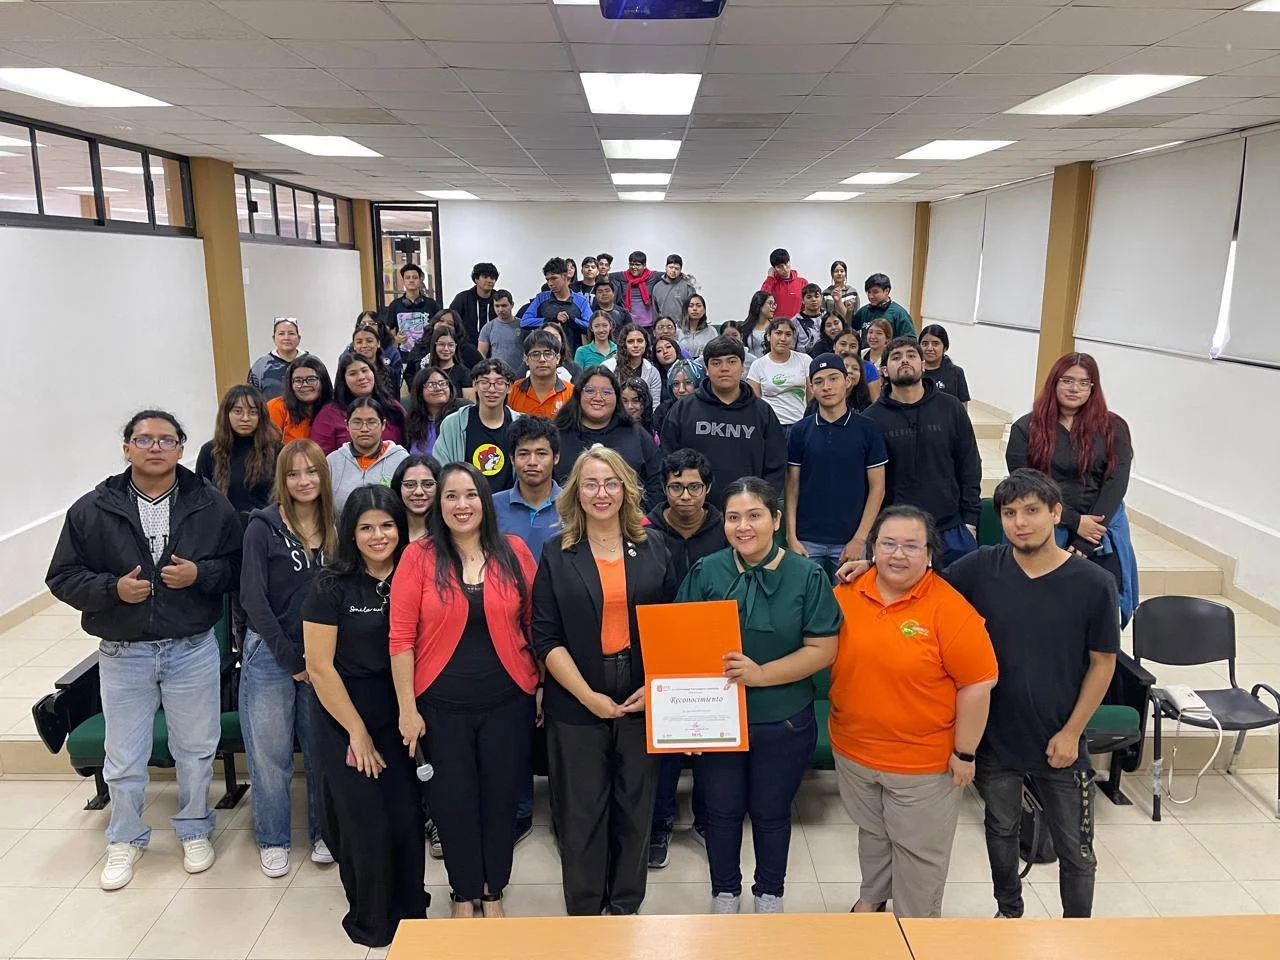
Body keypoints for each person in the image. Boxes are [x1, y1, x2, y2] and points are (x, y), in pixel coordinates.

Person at [47, 410, 241, 890]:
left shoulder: (209, 503)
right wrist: (112, 589)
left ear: (180, 448)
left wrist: (201, 575)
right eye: (144, 439)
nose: (155, 448)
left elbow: (237, 564)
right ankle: (126, 837)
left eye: (166, 440)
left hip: (191, 647)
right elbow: (62, 576)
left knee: (196, 748)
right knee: (124, 753)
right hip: (123, 651)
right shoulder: (93, 509)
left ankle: (195, 826)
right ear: (127, 447)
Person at [944, 469, 1119, 920]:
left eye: (1032, 511)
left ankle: (1077, 931)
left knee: (1076, 851)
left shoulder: (1093, 583)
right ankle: (1009, 911)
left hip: (1061, 740)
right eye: (1009, 513)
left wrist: (1072, 732)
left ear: (1057, 513)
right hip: (997, 739)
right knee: (1001, 830)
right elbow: (927, 590)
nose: (1020, 522)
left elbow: (1103, 663)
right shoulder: (982, 566)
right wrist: (873, 567)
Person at [677, 476, 841, 914]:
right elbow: (680, 645)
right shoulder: (707, 571)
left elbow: (824, 649)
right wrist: (682, 725)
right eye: (733, 517)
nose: (743, 526)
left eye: (754, 516)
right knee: (721, 814)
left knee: (771, 814)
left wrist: (760, 675)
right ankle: (724, 892)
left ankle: (770, 892)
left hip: (783, 719)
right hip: (716, 719)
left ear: (776, 519)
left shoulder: (806, 575)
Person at [531, 446, 678, 915]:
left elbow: (673, 625)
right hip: (576, 699)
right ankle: (586, 909)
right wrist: (587, 696)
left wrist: (655, 682)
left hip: (641, 695)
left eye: (611, 483)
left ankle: (626, 905)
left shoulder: (655, 546)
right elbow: (545, 637)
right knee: (580, 814)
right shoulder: (558, 552)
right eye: (590, 484)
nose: (601, 493)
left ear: (626, 489)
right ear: (576, 491)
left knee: (635, 808)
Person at [830, 505, 997, 918]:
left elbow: (978, 683)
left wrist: (965, 752)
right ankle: (872, 895)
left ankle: (914, 928)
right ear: (873, 549)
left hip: (923, 763)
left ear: (929, 553)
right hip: (853, 750)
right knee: (873, 834)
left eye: (910, 546)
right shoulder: (846, 593)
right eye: (888, 544)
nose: (898, 555)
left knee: (919, 852)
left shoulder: (951, 610)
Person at [390, 463, 539, 918]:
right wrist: (407, 710)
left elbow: (536, 625)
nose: (461, 505)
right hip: (440, 706)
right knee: (452, 805)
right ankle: (462, 892)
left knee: (500, 803)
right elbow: (400, 637)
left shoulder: (513, 551)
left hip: (507, 701)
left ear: (485, 500)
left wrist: (540, 689)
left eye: (470, 495)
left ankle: (493, 891)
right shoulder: (419, 556)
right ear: (439, 504)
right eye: (451, 496)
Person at [303, 486, 426, 946]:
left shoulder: (416, 575)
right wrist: (357, 733)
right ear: (350, 534)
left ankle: (412, 908)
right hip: (345, 719)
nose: (378, 536)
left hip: (403, 716)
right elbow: (318, 667)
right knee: (365, 822)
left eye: (387, 525)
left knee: (405, 815)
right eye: (366, 527)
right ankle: (373, 918)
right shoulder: (329, 586)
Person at [239, 438, 337, 877]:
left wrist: (320, 659)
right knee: (270, 755)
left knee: (321, 750)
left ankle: (323, 833)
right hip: (271, 654)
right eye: (294, 473)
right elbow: (252, 600)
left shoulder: (337, 525)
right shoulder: (262, 526)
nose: (303, 481)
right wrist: (291, 658)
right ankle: (274, 837)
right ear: (283, 479)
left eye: (311, 471)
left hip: (325, 657)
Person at [644, 448, 727, 868]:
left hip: (716, 652)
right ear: (665, 489)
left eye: (694, 487)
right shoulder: (645, 531)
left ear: (707, 490)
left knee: (712, 743)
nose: (685, 496)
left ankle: (707, 818)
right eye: (676, 487)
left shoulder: (726, 531)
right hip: (660, 652)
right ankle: (659, 823)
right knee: (666, 747)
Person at [1005, 353, 1136, 619]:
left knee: (1104, 608)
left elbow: (1116, 483)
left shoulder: (1113, 427)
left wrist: (1090, 534)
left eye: (1083, 383)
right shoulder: (1026, 428)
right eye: (1067, 380)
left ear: (1093, 388)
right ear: (1054, 382)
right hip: (1047, 522)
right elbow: (1024, 486)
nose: (1074, 388)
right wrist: (1073, 521)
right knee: (1045, 608)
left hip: (1103, 524)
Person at [863, 337, 981, 566]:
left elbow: (969, 465)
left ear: (923, 364)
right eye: (896, 357)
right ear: (884, 370)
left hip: (951, 529)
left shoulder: (951, 408)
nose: (904, 360)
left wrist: (970, 522)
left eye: (911, 355)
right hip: (897, 535)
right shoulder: (871, 419)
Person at [786, 354, 887, 579]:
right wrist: (792, 536)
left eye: (833, 378)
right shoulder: (800, 431)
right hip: (807, 540)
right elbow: (792, 487)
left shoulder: (868, 429)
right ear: (811, 387)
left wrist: (860, 539)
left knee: (849, 608)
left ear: (847, 381)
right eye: (819, 381)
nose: (827, 387)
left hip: (851, 541)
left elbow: (878, 488)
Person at [661, 335, 787, 508]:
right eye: (716, 363)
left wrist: (759, 503)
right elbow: (667, 460)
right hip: (694, 513)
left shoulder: (762, 412)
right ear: (706, 368)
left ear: (742, 367)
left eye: (732, 361)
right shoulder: (682, 410)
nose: (724, 368)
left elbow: (776, 466)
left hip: (746, 512)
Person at [554, 367, 664, 509]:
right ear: (578, 394)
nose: (598, 397)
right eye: (590, 390)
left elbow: (657, 480)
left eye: (606, 392)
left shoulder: (636, 433)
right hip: (567, 523)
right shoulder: (558, 435)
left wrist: (639, 519)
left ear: (617, 397)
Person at [195, 384, 281, 530]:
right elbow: (200, 499)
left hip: (268, 532)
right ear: (226, 413)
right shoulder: (209, 451)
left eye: (253, 412)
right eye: (238, 411)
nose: (245, 418)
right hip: (225, 534)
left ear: (262, 416)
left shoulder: (277, 450)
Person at [435, 358, 521, 493]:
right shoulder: (453, 424)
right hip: (466, 504)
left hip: (509, 505)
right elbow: (442, 468)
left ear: (509, 387)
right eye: (484, 382)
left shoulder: (520, 425)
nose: (491, 389)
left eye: (499, 383)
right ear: (474, 384)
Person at [493, 415, 563, 563]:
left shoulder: (574, 505)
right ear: (512, 459)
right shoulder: (492, 506)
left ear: (556, 457)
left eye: (541, 454)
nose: (532, 462)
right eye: (524, 454)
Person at [311, 354, 406, 455]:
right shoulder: (329, 414)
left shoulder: (392, 406)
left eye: (365, 370)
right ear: (343, 379)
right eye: (352, 374)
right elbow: (320, 456)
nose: (361, 377)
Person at [327, 397, 410, 513]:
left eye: (371, 422)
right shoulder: (332, 461)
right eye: (357, 422)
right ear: (347, 425)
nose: (364, 429)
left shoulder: (401, 460)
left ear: (383, 425)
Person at [747, 317, 811, 429]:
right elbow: (755, 402)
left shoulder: (805, 360)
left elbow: (812, 396)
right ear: (768, 336)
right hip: (771, 426)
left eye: (788, 334)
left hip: (800, 424)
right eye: (778, 333)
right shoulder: (758, 365)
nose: (783, 338)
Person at [520, 257, 593, 342]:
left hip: (573, 353)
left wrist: (571, 320)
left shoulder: (581, 301)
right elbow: (525, 322)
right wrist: (551, 319)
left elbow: (591, 326)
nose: (550, 283)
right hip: (547, 352)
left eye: (554, 278)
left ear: (565, 276)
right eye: (547, 279)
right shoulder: (541, 298)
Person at [404, 365, 467, 458]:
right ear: (420, 392)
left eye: (442, 383)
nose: (438, 388)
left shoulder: (461, 413)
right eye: (431, 385)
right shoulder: (413, 420)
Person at [509, 329, 575, 418]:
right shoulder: (512, 391)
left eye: (548, 354)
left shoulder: (572, 393)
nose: (542, 359)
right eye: (535, 354)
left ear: (558, 358)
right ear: (525, 358)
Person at [268, 357, 332, 444]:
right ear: (291, 384)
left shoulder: (335, 409)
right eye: (298, 380)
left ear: (323, 381)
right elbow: (268, 447)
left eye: (311, 379)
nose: (305, 384)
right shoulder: (276, 406)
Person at [383, 262, 440, 354]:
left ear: (420, 280)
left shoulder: (432, 304)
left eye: (415, 277)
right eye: (407, 278)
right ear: (403, 281)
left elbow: (440, 328)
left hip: (427, 354)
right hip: (403, 355)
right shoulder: (395, 305)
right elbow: (386, 330)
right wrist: (395, 339)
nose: (411, 280)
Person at [603, 323, 662, 409]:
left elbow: (655, 406)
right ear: (624, 344)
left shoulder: (653, 372)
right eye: (630, 341)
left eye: (640, 341)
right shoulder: (608, 367)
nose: (635, 345)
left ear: (646, 344)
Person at [248, 318, 308, 400]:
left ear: (299, 338)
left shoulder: (311, 362)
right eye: (281, 334)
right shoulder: (261, 366)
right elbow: (251, 398)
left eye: (291, 333)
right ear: (274, 338)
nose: (286, 338)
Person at [392, 454, 441, 543]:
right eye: (410, 485)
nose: (419, 492)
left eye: (428, 484)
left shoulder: (449, 533)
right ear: (398, 487)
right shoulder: (389, 532)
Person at [356, 309, 406, 395]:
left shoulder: (391, 352)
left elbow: (397, 383)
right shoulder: (350, 351)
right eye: (363, 324)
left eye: (372, 323)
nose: (367, 326)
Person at [919, 324, 971, 406]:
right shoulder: (914, 372)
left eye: (935, 344)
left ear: (945, 347)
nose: (929, 348)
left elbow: (962, 406)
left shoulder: (956, 372)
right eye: (924, 344)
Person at [852, 273, 915, 341]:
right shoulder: (864, 311)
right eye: (869, 292)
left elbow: (910, 340)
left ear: (886, 291)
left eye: (875, 292)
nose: (870, 296)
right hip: (866, 351)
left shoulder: (899, 313)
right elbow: (850, 329)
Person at [449, 261, 499, 345]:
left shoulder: (498, 299)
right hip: (466, 348)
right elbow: (451, 322)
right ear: (476, 279)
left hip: (493, 347)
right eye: (485, 277)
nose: (490, 280)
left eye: (493, 278)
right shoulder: (462, 298)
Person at [423, 326, 476, 402]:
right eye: (441, 344)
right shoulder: (426, 371)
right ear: (434, 346)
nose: (446, 349)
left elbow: (470, 404)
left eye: (451, 345)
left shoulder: (464, 372)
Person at [478, 289, 525, 372]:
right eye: (497, 306)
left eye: (504, 306)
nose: (500, 309)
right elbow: (481, 355)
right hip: (497, 375)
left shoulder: (523, 326)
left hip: (520, 374)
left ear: (512, 305)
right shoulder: (488, 327)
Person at [832, 328, 882, 403]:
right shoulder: (826, 366)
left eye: (853, 346)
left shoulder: (868, 368)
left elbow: (875, 403)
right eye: (843, 344)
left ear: (858, 349)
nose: (847, 349)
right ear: (834, 346)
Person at [612, 250, 658, 329]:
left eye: (637, 265)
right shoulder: (622, 276)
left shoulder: (652, 276)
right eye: (631, 264)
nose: (634, 267)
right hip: (627, 324)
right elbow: (606, 276)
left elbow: (669, 274)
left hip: (648, 325)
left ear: (644, 266)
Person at [345, 323, 396, 394]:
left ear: (378, 343)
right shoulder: (347, 371)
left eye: (369, 341)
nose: (364, 345)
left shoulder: (389, 372)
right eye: (359, 342)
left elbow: (395, 401)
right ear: (354, 346)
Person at [761, 248, 807, 320]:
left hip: (797, 326)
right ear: (774, 268)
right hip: (776, 327)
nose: (785, 269)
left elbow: (806, 307)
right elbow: (761, 301)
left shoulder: (802, 282)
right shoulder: (771, 283)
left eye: (786, 264)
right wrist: (770, 278)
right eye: (780, 267)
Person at [650, 253, 697, 322]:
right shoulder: (657, 287)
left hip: (683, 328)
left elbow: (692, 309)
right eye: (671, 267)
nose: (673, 271)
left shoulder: (687, 286)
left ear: (681, 270)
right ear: (666, 267)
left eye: (677, 268)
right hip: (663, 327)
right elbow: (655, 311)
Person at [741, 291, 777, 363]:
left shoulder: (775, 327)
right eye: (770, 303)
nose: (774, 307)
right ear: (759, 304)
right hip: (750, 367)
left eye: (774, 304)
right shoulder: (744, 327)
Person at [789, 283, 825, 355]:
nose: (813, 299)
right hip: (803, 361)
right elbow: (790, 348)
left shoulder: (827, 317)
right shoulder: (794, 321)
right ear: (802, 300)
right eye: (809, 297)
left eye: (816, 296)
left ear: (821, 298)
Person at [621, 377, 659, 444]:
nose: (630, 406)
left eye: (636, 401)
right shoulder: (613, 430)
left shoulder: (653, 434)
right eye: (625, 401)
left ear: (645, 402)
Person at [678, 293, 716, 358]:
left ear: (704, 310)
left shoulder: (711, 331)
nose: (695, 309)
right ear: (686, 309)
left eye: (698, 306)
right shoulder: (677, 330)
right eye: (691, 306)